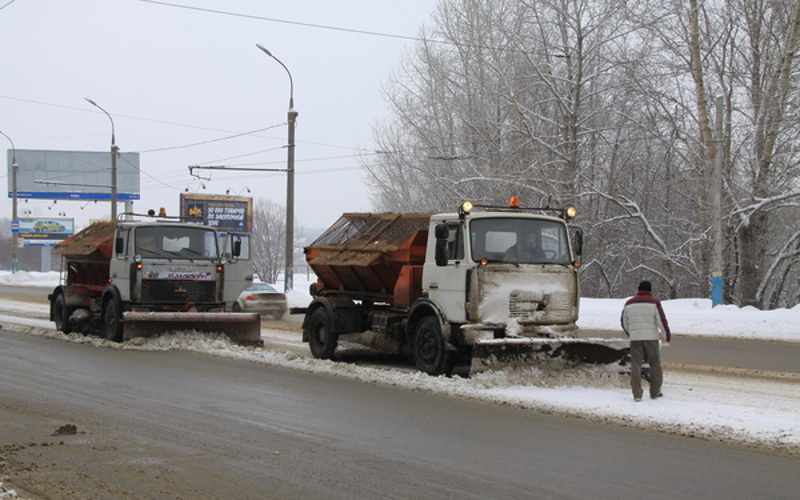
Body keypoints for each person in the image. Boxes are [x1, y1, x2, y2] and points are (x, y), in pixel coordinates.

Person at [620, 280, 671, 401]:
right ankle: (655, 392)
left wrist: (631, 333)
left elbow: (624, 322)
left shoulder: (629, 303)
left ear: (638, 290)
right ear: (650, 291)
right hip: (651, 338)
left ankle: (637, 394)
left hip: (635, 338)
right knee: (654, 364)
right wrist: (665, 336)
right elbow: (661, 321)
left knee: (636, 365)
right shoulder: (654, 303)